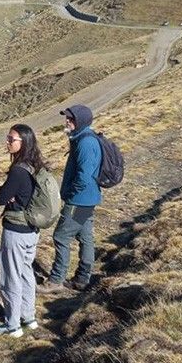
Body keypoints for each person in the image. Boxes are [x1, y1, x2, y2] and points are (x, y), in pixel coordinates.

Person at [0, 124, 47, 337]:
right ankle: (29, 317)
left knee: (9, 276)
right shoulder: (35, 165)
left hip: (16, 231)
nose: (7, 142)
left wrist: (7, 193)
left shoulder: (17, 171)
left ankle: (12, 325)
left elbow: (1, 198)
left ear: (23, 142)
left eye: (11, 139)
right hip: (32, 230)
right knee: (25, 272)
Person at [39, 105, 102, 293]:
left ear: (80, 121)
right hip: (87, 199)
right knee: (85, 237)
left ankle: (56, 280)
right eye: (67, 118)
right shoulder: (83, 138)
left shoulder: (85, 143)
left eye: (71, 119)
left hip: (79, 201)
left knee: (61, 236)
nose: (67, 121)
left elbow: (84, 176)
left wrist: (70, 194)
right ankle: (82, 279)